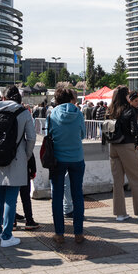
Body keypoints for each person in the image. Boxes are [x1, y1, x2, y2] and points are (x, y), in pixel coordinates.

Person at [0, 85, 36, 248]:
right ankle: (7, 236)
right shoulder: (24, 112)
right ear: (19, 98)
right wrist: (25, 155)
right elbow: (31, 138)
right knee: (11, 198)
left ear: (3, 97)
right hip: (16, 158)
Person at [108, 86, 138, 221]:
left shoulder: (111, 110)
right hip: (127, 146)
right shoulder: (129, 110)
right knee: (137, 179)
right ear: (125, 96)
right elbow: (134, 131)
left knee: (117, 181)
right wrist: (136, 142)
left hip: (113, 146)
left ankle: (120, 213)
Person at [47, 87, 86, 244]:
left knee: (57, 195)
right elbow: (82, 134)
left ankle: (59, 234)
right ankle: (78, 233)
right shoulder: (79, 113)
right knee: (77, 195)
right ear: (71, 99)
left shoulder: (52, 114)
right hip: (77, 158)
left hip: (58, 159)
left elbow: (49, 134)